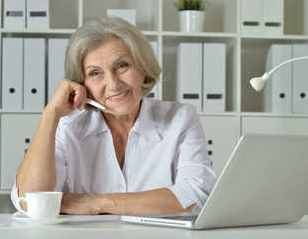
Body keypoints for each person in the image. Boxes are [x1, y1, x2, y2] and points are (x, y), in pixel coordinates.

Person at [11, 17, 216, 215]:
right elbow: (30, 202)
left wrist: (98, 203)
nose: (113, 84)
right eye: (94, 73)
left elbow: (198, 195)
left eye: (122, 65)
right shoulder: (67, 128)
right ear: (82, 83)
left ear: (143, 66)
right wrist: (51, 113)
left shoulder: (181, 119)